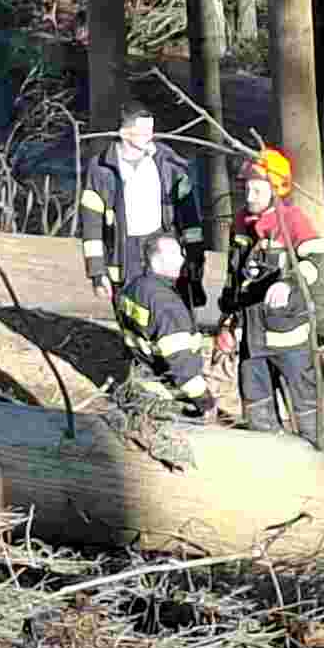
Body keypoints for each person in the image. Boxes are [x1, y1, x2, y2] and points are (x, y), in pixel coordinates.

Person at [79, 102, 211, 416]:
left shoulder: (167, 162)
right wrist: (97, 272)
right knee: (133, 318)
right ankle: (145, 385)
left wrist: (193, 256)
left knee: (172, 317)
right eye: (142, 131)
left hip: (163, 251)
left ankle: (188, 381)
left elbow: (189, 215)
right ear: (123, 132)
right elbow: (91, 226)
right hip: (125, 257)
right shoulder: (102, 169)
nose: (149, 136)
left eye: (151, 130)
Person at [227, 145, 324, 440]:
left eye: (257, 190)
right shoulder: (241, 223)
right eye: (247, 189)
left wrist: (289, 283)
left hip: (288, 336)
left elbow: (318, 261)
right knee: (257, 407)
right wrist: (228, 321)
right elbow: (234, 276)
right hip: (251, 336)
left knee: (306, 409)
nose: (249, 197)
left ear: (277, 189)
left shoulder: (293, 221)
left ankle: (319, 456)